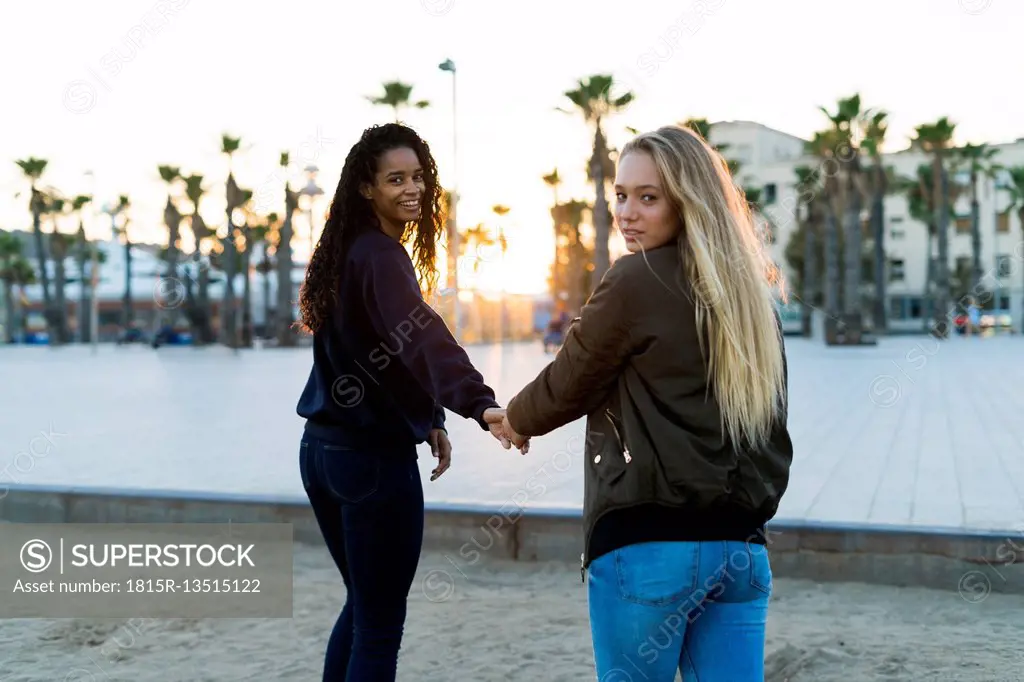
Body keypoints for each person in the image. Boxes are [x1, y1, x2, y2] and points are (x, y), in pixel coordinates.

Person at [499, 125, 794, 681]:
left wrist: (512, 419)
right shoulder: (754, 298)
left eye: (648, 197)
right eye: (620, 195)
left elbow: (568, 381)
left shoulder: (636, 279)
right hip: (741, 553)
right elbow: (772, 428)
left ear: (687, 203)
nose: (627, 213)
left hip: (649, 549)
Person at [294, 123, 512, 681]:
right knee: (381, 626)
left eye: (418, 177)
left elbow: (382, 353)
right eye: (395, 179)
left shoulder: (346, 251)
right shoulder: (382, 256)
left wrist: (430, 416)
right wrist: (480, 404)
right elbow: (423, 338)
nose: (412, 188)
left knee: (364, 608)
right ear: (366, 188)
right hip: (370, 464)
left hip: (322, 454)